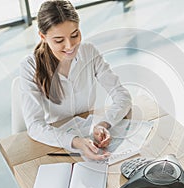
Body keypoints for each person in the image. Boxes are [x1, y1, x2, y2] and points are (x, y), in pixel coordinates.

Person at [20, 0, 132, 160]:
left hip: (91, 137)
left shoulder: (89, 52)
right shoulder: (30, 66)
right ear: (43, 36)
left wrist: (104, 124)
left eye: (75, 35)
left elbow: (122, 96)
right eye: (59, 40)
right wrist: (76, 142)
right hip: (57, 144)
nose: (70, 45)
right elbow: (34, 126)